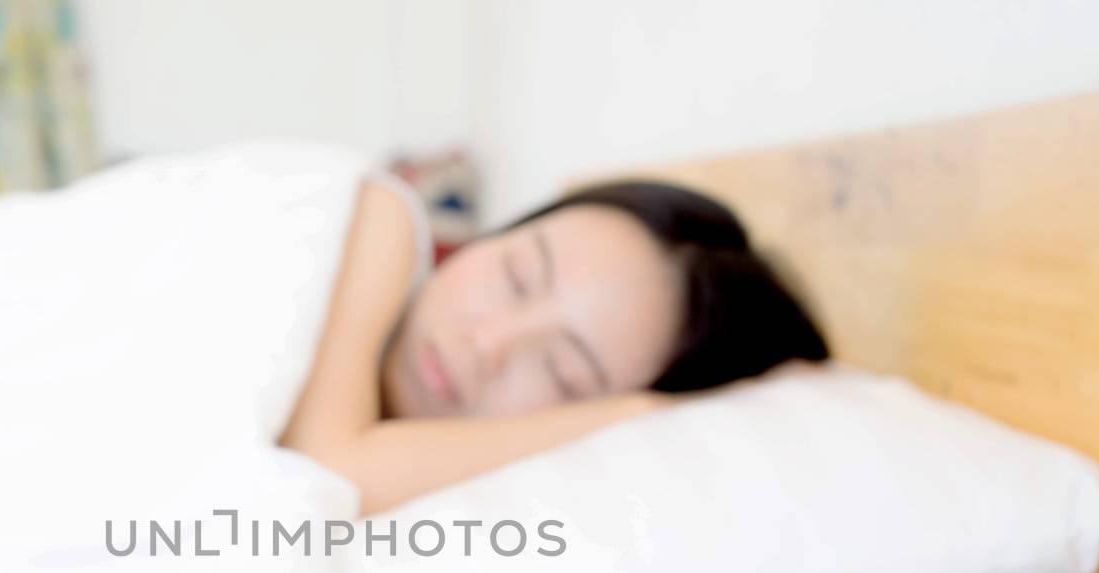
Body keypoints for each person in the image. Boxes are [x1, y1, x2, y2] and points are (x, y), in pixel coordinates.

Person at [279, 175, 829, 515]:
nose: (486, 344)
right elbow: (328, 480)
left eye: (562, 371)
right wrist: (643, 409)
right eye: (517, 274)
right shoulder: (374, 219)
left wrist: (655, 417)